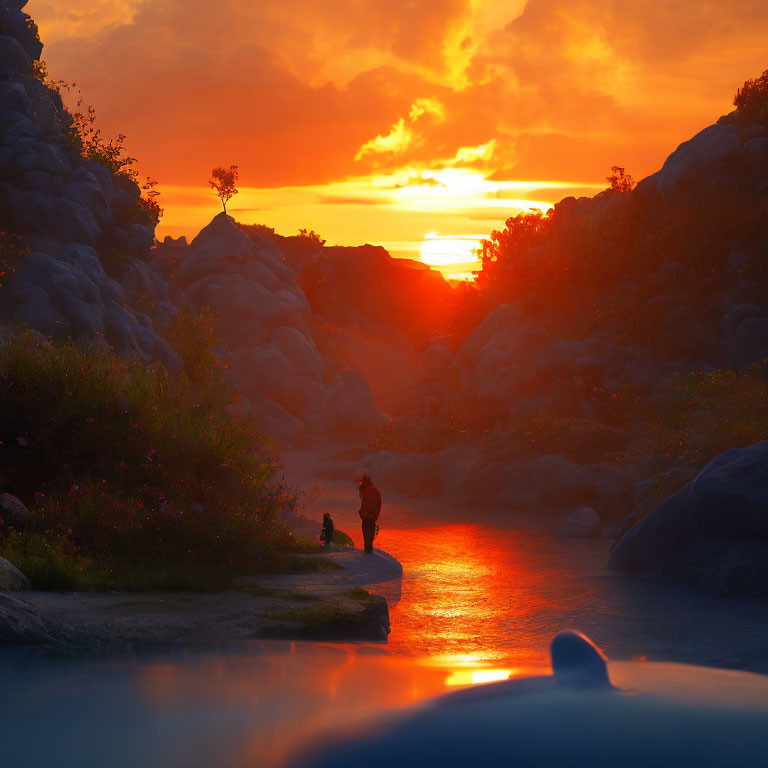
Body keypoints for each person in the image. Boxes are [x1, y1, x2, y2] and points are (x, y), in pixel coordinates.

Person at [357, 474, 381, 554]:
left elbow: (366, 507)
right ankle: (369, 555)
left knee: (367, 541)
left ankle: (368, 557)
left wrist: (362, 514)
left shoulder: (369, 492)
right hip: (371, 519)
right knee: (369, 540)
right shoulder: (375, 491)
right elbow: (377, 506)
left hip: (367, 519)